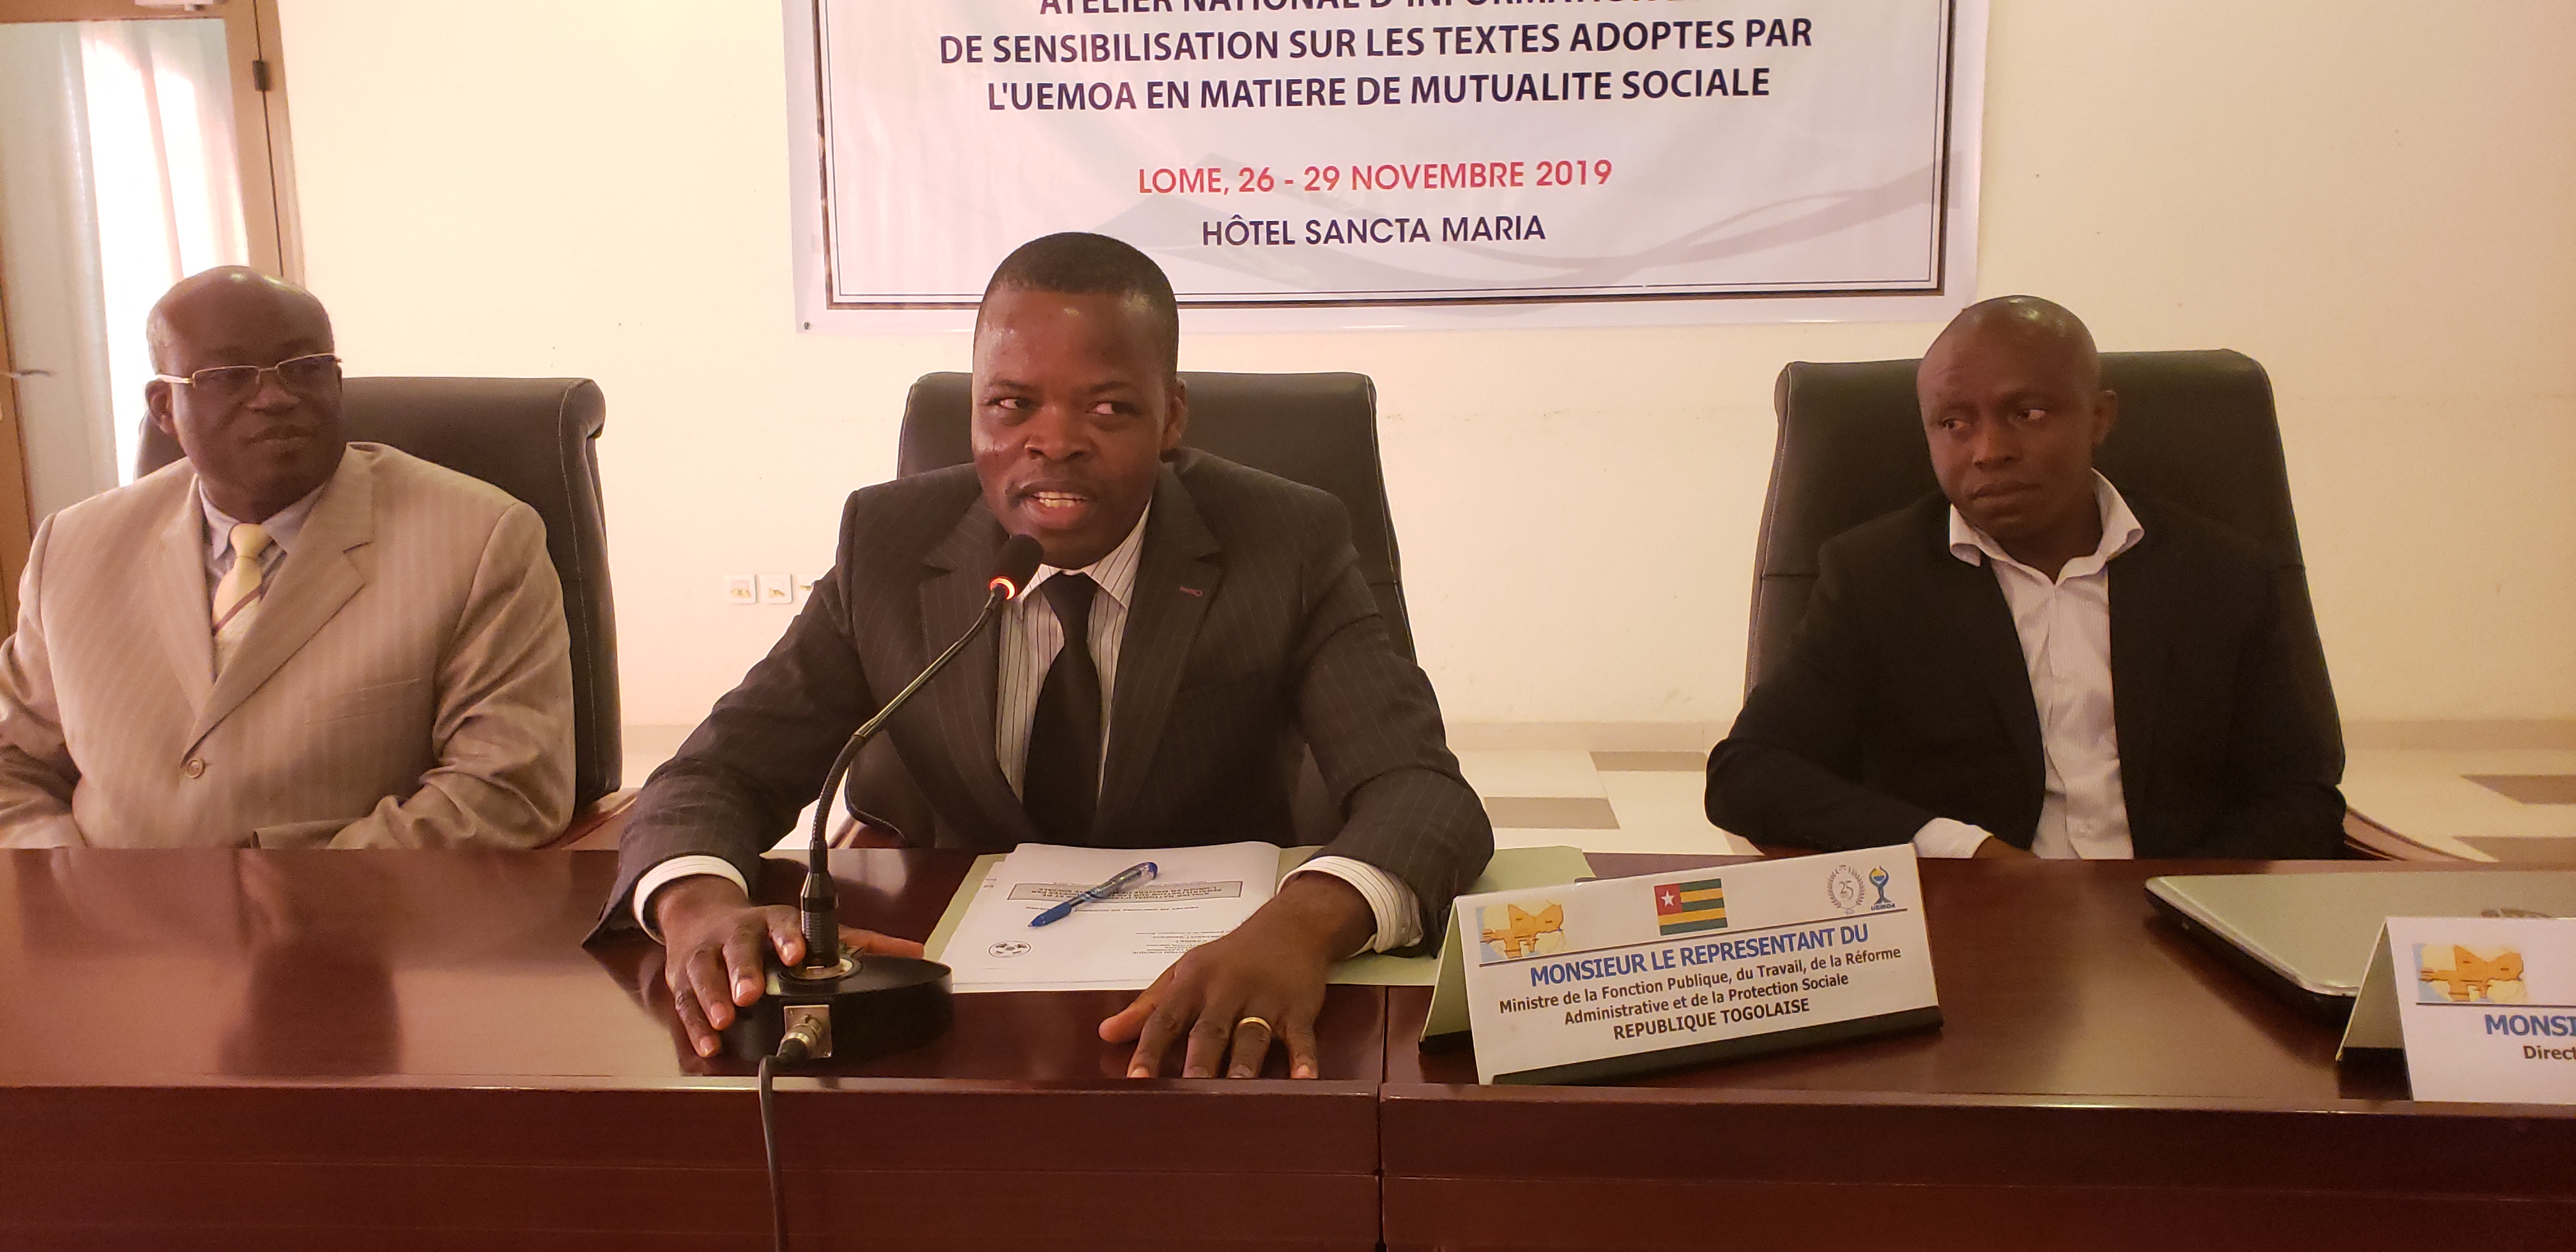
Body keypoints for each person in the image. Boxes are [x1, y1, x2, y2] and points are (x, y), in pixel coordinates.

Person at [601, 232, 1492, 1077]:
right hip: (960, 1005)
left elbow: (1421, 794)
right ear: (975, 413)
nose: (1055, 440)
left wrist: (1301, 926)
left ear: (1171, 417)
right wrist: (698, 906)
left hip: (1212, 995)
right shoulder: (889, 543)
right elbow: (715, 774)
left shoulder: (1286, 541)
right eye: (1012, 404)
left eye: (1107, 407)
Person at [1705, 296, 2344, 860]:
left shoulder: (2222, 574)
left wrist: (2179, 901)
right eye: (1954, 424)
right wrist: (1959, 848)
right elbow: (1747, 772)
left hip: (2174, 921)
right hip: (1978, 919)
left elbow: (2299, 796)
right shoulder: (1876, 576)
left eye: (2028, 413)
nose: (1989, 451)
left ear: (2099, 417)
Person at [0, 267, 575, 848]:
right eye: (228, 377)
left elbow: (506, 787)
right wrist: (63, 877)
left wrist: (286, 888)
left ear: (337, 382)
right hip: (99, 901)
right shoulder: (73, 546)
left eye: (304, 368)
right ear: (165, 407)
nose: (275, 397)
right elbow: (12, 761)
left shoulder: (478, 540)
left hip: (348, 900)